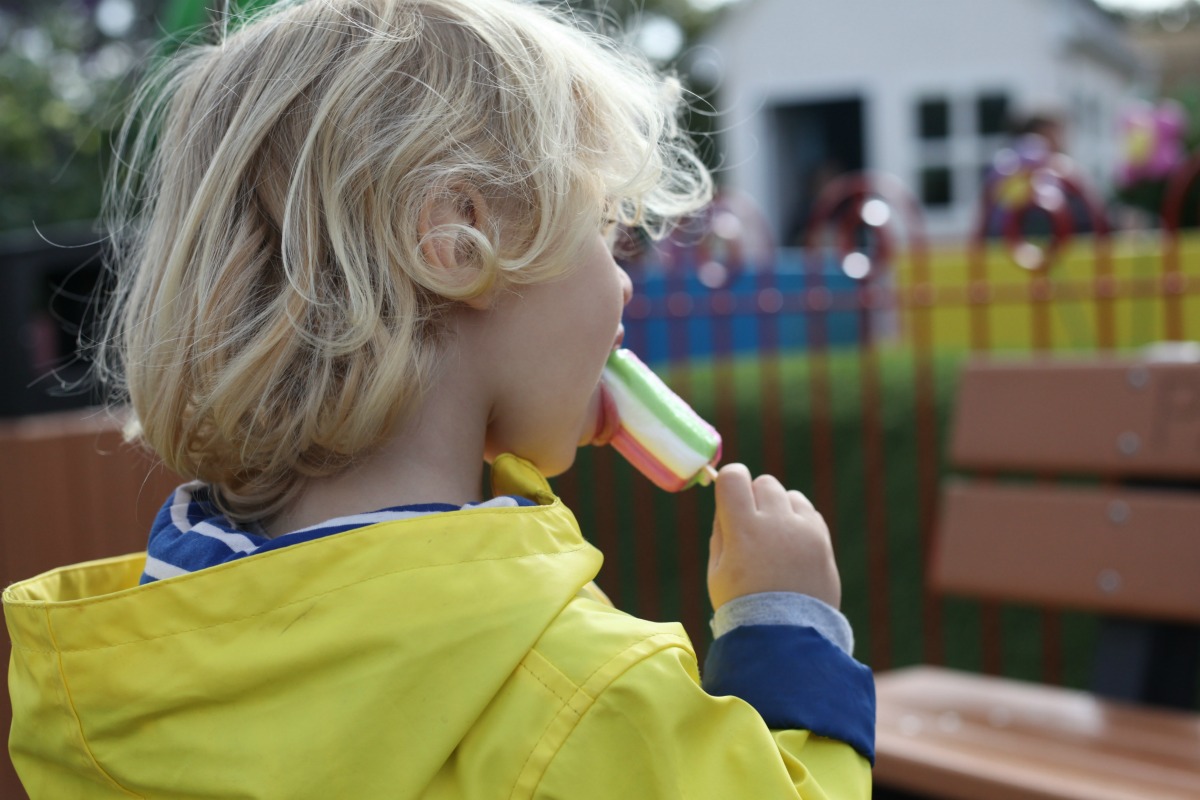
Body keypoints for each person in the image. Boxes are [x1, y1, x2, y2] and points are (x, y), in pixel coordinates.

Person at [4, 1, 874, 796]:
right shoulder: (586, 694)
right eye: (605, 232)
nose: (621, 286)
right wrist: (786, 629)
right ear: (456, 240)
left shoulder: (119, 673)